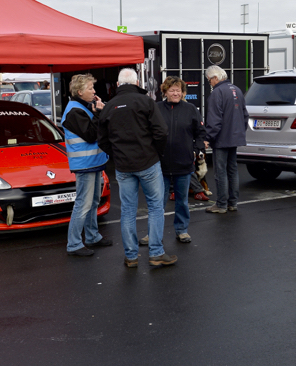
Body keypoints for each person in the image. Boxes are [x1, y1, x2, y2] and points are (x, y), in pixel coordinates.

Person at [98, 68, 176, 268]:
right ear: (137, 82)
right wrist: (155, 153)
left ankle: (131, 256)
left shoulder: (109, 107)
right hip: (148, 162)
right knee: (156, 207)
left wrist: (116, 155)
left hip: (124, 166)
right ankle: (156, 253)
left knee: (128, 211)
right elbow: (161, 131)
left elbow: (102, 140)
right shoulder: (146, 102)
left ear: (117, 85)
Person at [148, 76, 206, 244]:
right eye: (172, 90)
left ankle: (182, 230)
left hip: (184, 163)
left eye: (178, 90)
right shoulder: (156, 108)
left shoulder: (190, 109)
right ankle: (153, 233)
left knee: (182, 200)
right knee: (157, 202)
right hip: (160, 164)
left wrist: (196, 150)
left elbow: (200, 133)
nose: (175, 93)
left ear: (183, 92)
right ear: (165, 91)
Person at [62, 73, 112, 257]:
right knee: (83, 203)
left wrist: (99, 111)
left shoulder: (83, 107)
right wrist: (98, 113)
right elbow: (91, 134)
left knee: (93, 202)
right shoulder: (74, 111)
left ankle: (92, 236)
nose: (94, 91)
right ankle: (74, 243)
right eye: (90, 88)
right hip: (85, 164)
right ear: (80, 91)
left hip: (94, 162)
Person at [203, 65, 249, 214]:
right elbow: (245, 115)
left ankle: (221, 204)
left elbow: (214, 120)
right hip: (235, 137)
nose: (209, 83)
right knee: (232, 170)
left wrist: (208, 137)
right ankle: (232, 203)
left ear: (215, 78)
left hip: (222, 139)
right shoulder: (237, 90)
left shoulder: (217, 93)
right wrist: (240, 132)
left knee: (220, 172)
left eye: (209, 80)